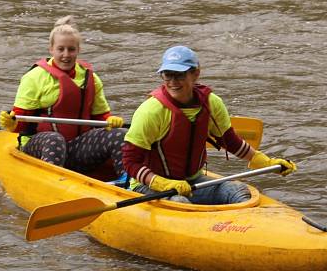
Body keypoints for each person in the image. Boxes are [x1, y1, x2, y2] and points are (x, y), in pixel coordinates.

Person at [122, 45, 297, 204]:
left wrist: (265, 161)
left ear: (196, 74)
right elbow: (130, 162)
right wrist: (161, 183)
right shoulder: (151, 111)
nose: (173, 82)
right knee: (180, 202)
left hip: (192, 181)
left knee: (237, 191)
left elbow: (230, 142)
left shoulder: (212, 103)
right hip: (150, 185)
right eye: (168, 75)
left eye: (180, 75)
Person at [0, 16, 127, 178]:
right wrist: (11, 123)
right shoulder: (34, 77)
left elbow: (100, 117)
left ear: (78, 50)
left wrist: (110, 120)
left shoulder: (91, 78)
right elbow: (21, 124)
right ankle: (51, 183)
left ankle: (128, 182)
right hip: (39, 148)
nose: (66, 55)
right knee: (55, 140)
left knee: (118, 135)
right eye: (61, 49)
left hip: (76, 148)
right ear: (51, 49)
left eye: (71, 49)